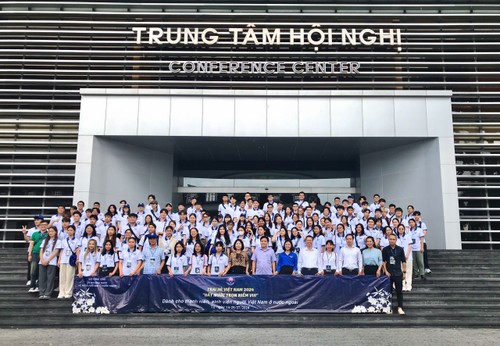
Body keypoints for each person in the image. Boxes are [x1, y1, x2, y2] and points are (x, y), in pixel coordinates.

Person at [382, 234, 407, 315]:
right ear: (388, 240)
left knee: (399, 291)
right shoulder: (385, 249)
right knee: (388, 291)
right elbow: (384, 262)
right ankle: (389, 307)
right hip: (389, 273)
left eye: (393, 239)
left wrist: (404, 272)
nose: (392, 240)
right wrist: (385, 271)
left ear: (396, 240)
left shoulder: (400, 249)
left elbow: (403, 261)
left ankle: (400, 307)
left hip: (398, 273)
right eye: (390, 239)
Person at [38, 226, 62, 300]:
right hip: (42, 261)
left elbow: (56, 252)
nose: (51, 233)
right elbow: (41, 251)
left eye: (52, 231)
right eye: (49, 231)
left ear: (55, 232)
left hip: (51, 262)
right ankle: (41, 292)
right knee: (42, 278)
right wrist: (42, 260)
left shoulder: (58, 241)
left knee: (50, 278)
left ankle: (47, 293)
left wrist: (48, 260)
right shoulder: (45, 240)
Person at [28, 219, 49, 293]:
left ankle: (38, 286)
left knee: (41, 271)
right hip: (35, 253)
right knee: (33, 271)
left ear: (47, 226)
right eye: (41, 225)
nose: (43, 226)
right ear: (39, 226)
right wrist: (29, 254)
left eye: (45, 225)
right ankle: (32, 286)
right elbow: (31, 244)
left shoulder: (49, 234)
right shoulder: (35, 234)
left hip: (44, 254)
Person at [57, 225, 78, 299]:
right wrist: (59, 260)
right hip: (63, 259)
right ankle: (61, 292)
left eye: (71, 230)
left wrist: (77, 259)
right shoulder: (64, 240)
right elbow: (62, 250)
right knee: (62, 277)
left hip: (71, 260)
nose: (69, 232)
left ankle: (68, 292)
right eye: (68, 230)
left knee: (69, 277)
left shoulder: (77, 240)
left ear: (74, 231)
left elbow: (77, 250)